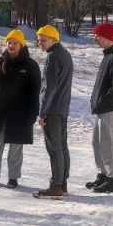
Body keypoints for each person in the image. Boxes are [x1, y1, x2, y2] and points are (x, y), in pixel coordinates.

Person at [0, 29, 41, 189]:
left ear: (21, 45)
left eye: (15, 42)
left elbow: (34, 93)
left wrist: (32, 115)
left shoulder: (30, 66)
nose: (11, 45)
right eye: (9, 42)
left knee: (15, 149)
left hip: (19, 114)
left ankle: (13, 178)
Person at [33, 24, 75, 200]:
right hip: (62, 107)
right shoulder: (65, 54)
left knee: (54, 147)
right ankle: (62, 183)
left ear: (54, 39)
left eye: (43, 40)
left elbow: (49, 88)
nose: (40, 43)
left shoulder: (53, 56)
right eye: (38, 40)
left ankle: (56, 186)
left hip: (53, 109)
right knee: (62, 146)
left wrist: (43, 112)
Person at [87, 22, 113, 193]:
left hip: (109, 109)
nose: (95, 38)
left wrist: (102, 101)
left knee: (107, 144)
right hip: (101, 108)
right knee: (97, 143)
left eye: (98, 35)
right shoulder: (107, 57)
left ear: (108, 37)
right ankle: (103, 174)